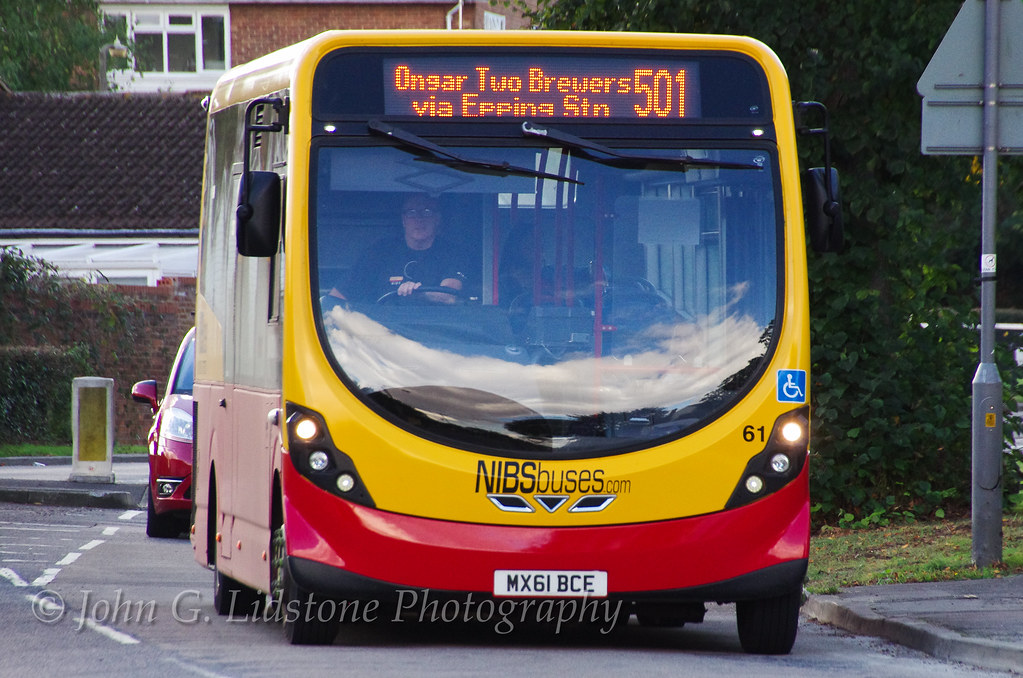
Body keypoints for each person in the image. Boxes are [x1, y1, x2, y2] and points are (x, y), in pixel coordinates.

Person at [326, 193, 467, 305]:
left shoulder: (452, 253)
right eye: (411, 212)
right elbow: (337, 298)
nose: (419, 219)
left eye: (427, 212)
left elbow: (450, 296)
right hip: (380, 334)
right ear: (403, 220)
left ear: (437, 219)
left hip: (437, 334)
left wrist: (420, 295)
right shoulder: (380, 252)